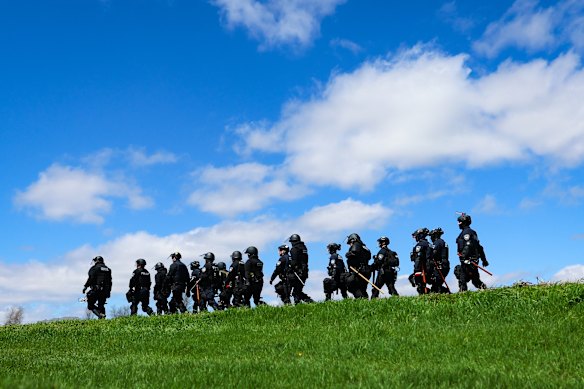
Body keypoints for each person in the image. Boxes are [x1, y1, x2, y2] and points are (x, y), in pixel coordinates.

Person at [454, 214, 489, 291]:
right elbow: (480, 247)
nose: (458, 224)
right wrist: (484, 259)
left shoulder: (467, 233)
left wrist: (463, 255)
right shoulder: (472, 233)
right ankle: (485, 289)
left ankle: (463, 294)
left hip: (468, 260)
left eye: (459, 222)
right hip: (471, 260)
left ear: (464, 222)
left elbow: (468, 244)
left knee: (461, 278)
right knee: (475, 280)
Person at [345, 233, 372, 299]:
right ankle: (366, 302)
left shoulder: (356, 245)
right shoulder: (365, 248)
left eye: (350, 242)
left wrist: (347, 254)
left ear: (353, 240)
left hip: (358, 271)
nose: (350, 245)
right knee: (362, 288)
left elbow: (354, 252)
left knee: (352, 286)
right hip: (366, 270)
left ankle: (361, 300)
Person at [288, 234, 314, 304]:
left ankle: (309, 302)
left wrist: (290, 266)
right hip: (304, 271)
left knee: (296, 292)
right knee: (298, 291)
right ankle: (309, 302)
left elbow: (294, 261)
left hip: (297, 272)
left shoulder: (294, 249)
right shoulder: (304, 248)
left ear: (293, 241)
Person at [409, 228, 431, 295]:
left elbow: (419, 257)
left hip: (422, 267)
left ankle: (424, 295)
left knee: (420, 285)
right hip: (430, 267)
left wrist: (417, 270)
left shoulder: (420, 245)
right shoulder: (429, 244)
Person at [428, 228, 451, 293]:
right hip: (445, 264)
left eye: (431, 236)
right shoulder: (443, 242)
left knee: (437, 284)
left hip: (440, 265)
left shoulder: (437, 243)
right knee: (437, 284)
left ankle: (446, 293)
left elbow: (434, 254)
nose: (431, 238)